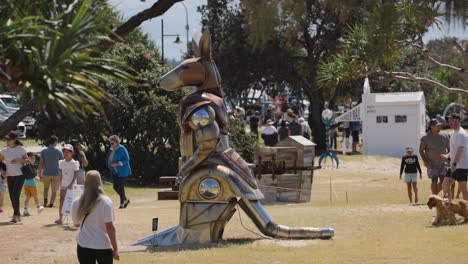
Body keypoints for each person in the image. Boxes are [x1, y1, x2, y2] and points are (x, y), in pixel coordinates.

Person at [72, 170, 119, 263]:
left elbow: (76, 224)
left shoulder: (77, 201)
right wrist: (116, 249)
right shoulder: (106, 202)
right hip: (103, 246)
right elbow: (110, 227)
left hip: (84, 245)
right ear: (99, 182)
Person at [0, 131, 29, 223]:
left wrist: (18, 161)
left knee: (15, 195)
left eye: (9, 139)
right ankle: (18, 214)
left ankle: (15, 215)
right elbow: (0, 162)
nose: (7, 140)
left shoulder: (21, 149)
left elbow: (28, 160)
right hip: (10, 175)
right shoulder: (3, 150)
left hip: (20, 175)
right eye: (6, 139)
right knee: (12, 197)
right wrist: (3, 171)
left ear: (14, 139)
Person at [441, 113, 468, 200]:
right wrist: (447, 155)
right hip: (454, 165)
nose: (450, 122)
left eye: (452, 120)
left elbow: (459, 150)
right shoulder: (453, 133)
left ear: (458, 120)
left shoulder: (461, 134)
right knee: (445, 185)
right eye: (449, 120)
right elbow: (453, 150)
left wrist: (454, 164)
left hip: (461, 166)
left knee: (463, 189)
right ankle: (449, 208)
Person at [419, 119, 450, 195]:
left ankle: (438, 197)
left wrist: (448, 159)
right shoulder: (425, 138)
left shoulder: (445, 135)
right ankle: (435, 198)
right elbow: (421, 150)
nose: (439, 127)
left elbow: (450, 149)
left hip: (444, 163)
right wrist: (425, 161)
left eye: (440, 125)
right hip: (432, 164)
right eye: (437, 126)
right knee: (434, 180)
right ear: (432, 127)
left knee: (444, 181)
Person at [55, 144, 79, 225]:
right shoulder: (62, 162)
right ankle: (60, 218)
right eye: (64, 151)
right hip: (64, 184)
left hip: (72, 186)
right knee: (61, 200)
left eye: (68, 151)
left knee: (72, 202)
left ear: (71, 153)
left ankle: (75, 219)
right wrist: (60, 183)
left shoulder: (74, 163)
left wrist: (71, 184)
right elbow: (61, 174)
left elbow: (75, 175)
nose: (66, 153)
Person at [107, 135, 131, 209]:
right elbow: (109, 159)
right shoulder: (111, 149)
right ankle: (126, 200)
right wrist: (110, 165)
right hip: (115, 172)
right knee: (115, 187)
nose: (111, 145)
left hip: (123, 171)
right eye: (110, 143)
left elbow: (127, 159)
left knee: (120, 187)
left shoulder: (122, 148)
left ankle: (122, 204)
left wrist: (116, 164)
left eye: (112, 143)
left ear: (117, 142)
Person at [39, 135, 64, 207]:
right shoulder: (58, 151)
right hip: (56, 173)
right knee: (54, 190)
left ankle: (45, 201)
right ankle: (51, 203)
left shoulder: (43, 151)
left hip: (46, 172)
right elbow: (62, 163)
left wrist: (40, 173)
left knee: (46, 188)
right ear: (55, 142)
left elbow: (41, 163)